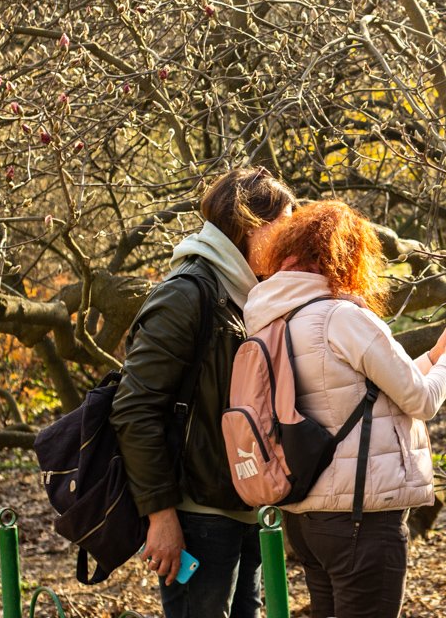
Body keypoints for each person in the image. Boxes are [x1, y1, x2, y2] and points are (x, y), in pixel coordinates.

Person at [243, 199, 446, 618]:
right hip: (361, 516)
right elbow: (423, 401)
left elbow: (370, 390)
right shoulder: (342, 317)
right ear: (345, 256)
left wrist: (438, 352)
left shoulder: (273, 320)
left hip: (307, 518)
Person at [111, 166, 297, 618]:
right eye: (285, 228)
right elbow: (134, 409)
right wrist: (160, 515)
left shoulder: (247, 294)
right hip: (197, 517)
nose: (291, 239)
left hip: (244, 508)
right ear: (252, 226)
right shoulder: (187, 294)